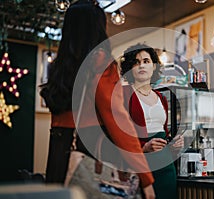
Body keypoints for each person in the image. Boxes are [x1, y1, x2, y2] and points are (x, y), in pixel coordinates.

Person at [39, 1, 155, 198]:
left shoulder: (61, 65)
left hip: (59, 159)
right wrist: (146, 179)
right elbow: (117, 122)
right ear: (97, 28)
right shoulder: (99, 62)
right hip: (89, 158)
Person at [121, 43, 184, 199]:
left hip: (165, 164)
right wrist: (144, 148)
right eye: (136, 62)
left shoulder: (161, 98)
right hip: (139, 163)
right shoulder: (123, 94)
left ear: (154, 66)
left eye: (146, 61)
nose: (141, 65)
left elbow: (165, 133)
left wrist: (174, 144)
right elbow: (118, 134)